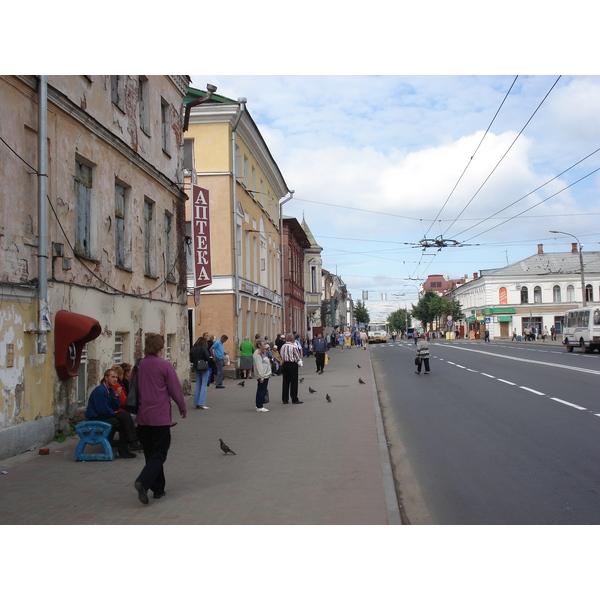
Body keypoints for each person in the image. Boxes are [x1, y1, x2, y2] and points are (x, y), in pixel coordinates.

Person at [133, 333, 187, 505]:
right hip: (160, 418)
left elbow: (131, 388)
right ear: (160, 348)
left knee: (151, 454)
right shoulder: (164, 365)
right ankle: (143, 481)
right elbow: (175, 389)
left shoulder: (138, 366)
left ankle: (158, 489)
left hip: (142, 417)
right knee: (160, 453)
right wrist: (182, 408)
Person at [85, 368, 138, 458]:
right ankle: (129, 444)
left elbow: (115, 407)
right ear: (106, 377)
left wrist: (116, 397)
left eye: (116, 377)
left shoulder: (110, 390)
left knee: (125, 416)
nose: (115, 379)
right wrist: (114, 413)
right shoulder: (100, 390)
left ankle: (128, 445)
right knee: (123, 421)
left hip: (106, 415)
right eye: (113, 377)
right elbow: (103, 410)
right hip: (97, 418)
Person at [280, 333, 303, 404]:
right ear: (293, 339)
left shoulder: (283, 346)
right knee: (294, 382)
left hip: (285, 364)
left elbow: (281, 354)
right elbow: (297, 356)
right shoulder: (294, 346)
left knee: (285, 382)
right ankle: (294, 398)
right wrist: (299, 361)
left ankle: (285, 399)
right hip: (292, 364)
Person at [190, 336, 211, 409]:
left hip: (196, 367)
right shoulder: (203, 348)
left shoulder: (193, 349)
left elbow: (191, 359)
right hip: (204, 367)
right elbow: (208, 357)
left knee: (198, 385)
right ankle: (202, 403)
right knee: (204, 385)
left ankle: (196, 403)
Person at [253, 338, 272, 412]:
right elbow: (259, 365)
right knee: (261, 390)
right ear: (259, 345)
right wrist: (261, 377)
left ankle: (259, 405)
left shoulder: (262, 352)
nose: (265, 346)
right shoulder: (257, 354)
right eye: (264, 344)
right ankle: (259, 406)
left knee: (262, 390)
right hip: (263, 375)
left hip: (265, 374)